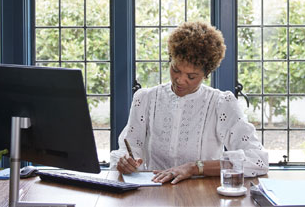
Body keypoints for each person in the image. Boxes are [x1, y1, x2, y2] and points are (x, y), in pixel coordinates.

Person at [110, 21, 268, 184]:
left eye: (191, 76)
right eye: (175, 69)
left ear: (206, 74)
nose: (180, 80)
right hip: (154, 192)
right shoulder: (145, 99)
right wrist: (126, 162)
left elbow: (258, 161)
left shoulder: (221, 104)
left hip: (202, 194)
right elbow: (130, 148)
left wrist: (195, 167)